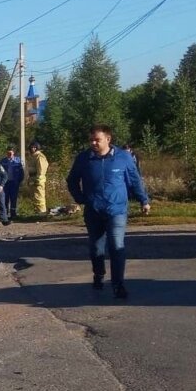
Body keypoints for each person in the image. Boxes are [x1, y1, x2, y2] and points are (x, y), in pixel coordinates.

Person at [66, 126, 151, 300]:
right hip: (94, 210)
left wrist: (144, 200)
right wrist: (81, 198)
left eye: (97, 139)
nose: (93, 143)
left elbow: (134, 180)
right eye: (91, 140)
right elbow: (72, 180)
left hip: (117, 210)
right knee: (96, 249)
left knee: (116, 246)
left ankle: (118, 284)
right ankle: (98, 274)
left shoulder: (123, 157)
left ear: (108, 139)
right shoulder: (84, 158)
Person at [25, 141, 49, 215]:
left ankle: (41, 213)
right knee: (34, 197)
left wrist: (38, 180)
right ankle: (36, 212)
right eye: (31, 147)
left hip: (38, 179)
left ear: (37, 148)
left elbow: (41, 170)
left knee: (39, 197)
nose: (33, 149)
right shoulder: (33, 156)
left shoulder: (40, 157)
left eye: (34, 147)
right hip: (32, 178)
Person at [0, 147, 24, 218]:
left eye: (11, 152)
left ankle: (13, 214)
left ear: (13, 152)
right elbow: (0, 172)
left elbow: (21, 172)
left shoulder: (18, 161)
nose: (9, 154)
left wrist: (19, 181)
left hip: (14, 183)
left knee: (13, 199)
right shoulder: (3, 161)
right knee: (5, 199)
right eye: (8, 153)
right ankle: (5, 214)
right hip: (5, 184)